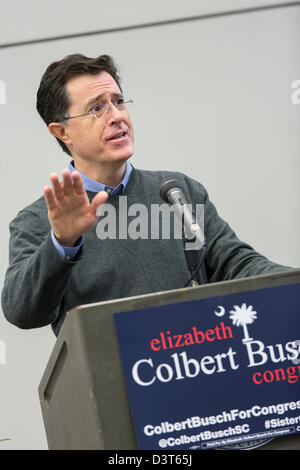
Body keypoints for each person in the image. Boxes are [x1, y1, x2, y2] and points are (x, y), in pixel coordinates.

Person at [1, 53, 291, 337]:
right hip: (110, 380)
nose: (116, 116)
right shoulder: (40, 221)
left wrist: (293, 282)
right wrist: (62, 241)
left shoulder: (178, 192)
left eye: (118, 102)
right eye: (96, 109)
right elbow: (22, 311)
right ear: (62, 131)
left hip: (196, 365)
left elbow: (238, 264)